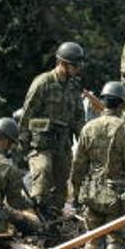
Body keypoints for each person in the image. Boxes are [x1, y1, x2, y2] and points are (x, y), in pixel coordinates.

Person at [70, 81, 125, 249]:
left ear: (103, 101)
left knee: (93, 239)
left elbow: (78, 164)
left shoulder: (89, 127)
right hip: (116, 196)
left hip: (92, 192)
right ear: (121, 104)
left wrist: (76, 193)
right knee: (115, 241)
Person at [20, 42, 86, 217]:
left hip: (63, 144)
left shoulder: (74, 86)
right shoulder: (43, 83)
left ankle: (53, 222)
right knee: (42, 173)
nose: (78, 69)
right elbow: (28, 115)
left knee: (61, 185)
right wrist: (24, 145)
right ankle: (35, 216)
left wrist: (85, 141)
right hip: (41, 143)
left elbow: (79, 117)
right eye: (74, 65)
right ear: (62, 63)